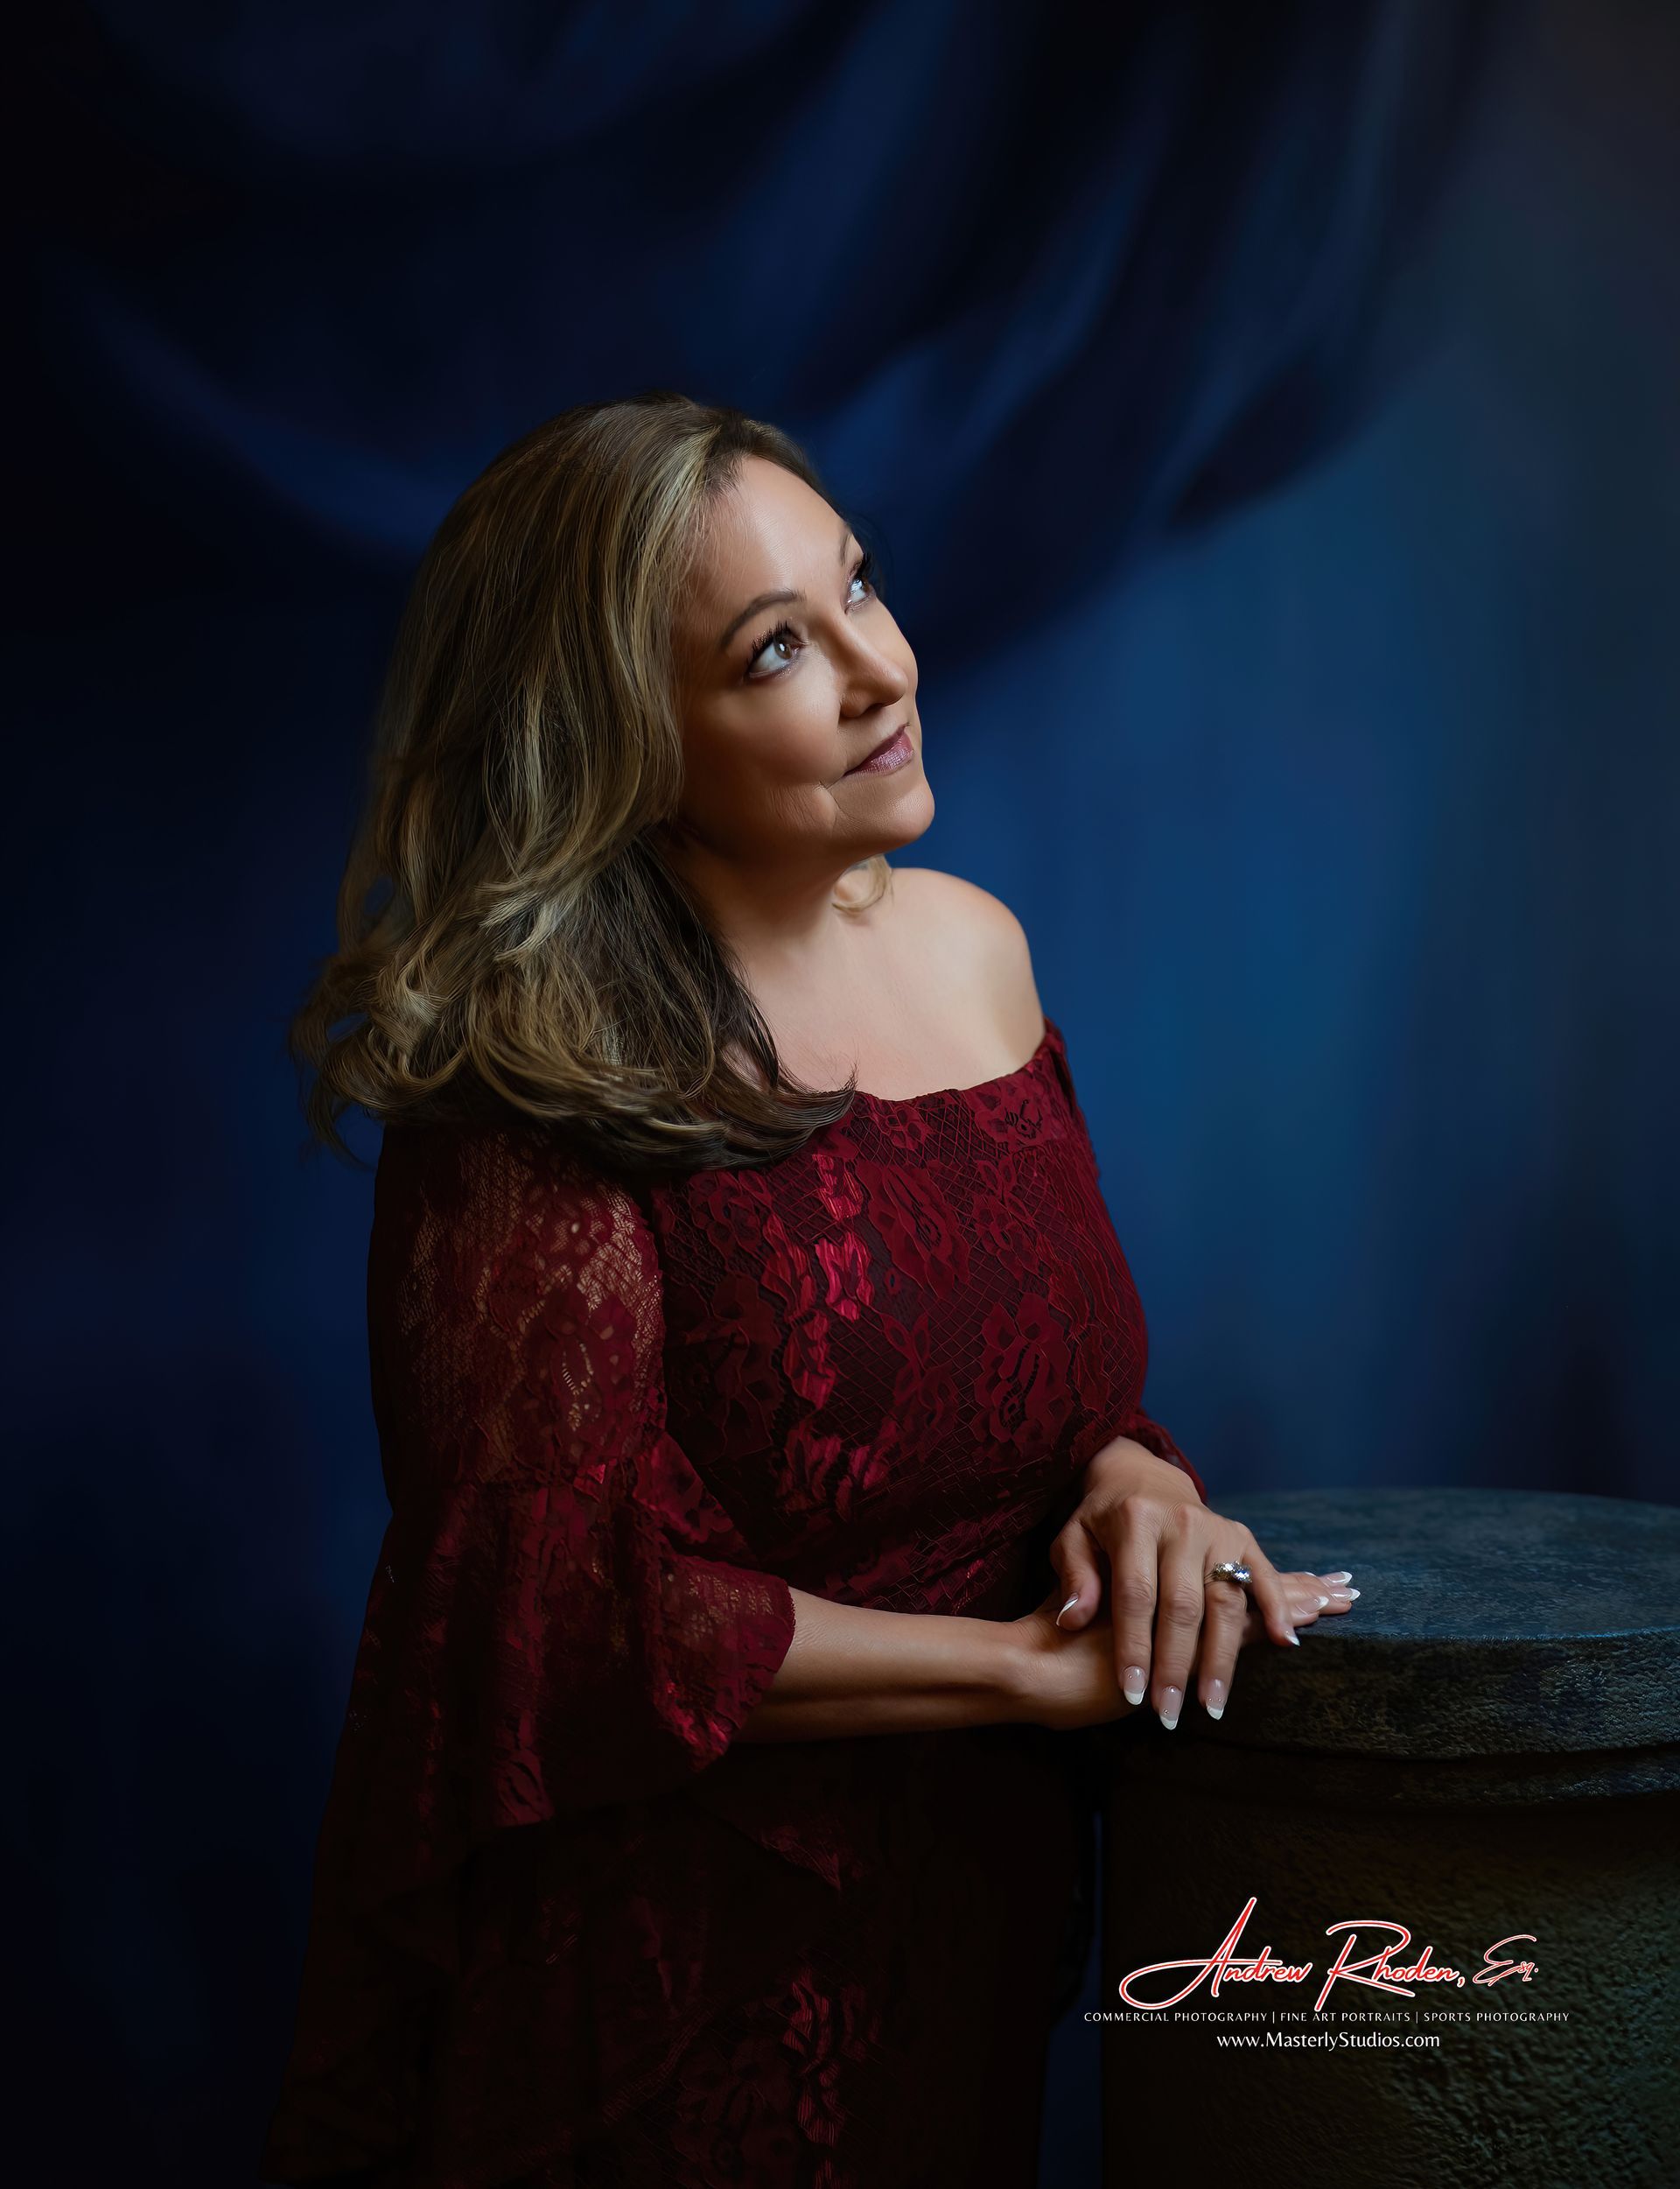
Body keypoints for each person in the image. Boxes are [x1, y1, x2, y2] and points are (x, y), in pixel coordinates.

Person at [260, 391, 1354, 2189]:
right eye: (775, 650)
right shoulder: (543, 1067)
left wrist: (1138, 1490)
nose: (877, 669)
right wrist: (1027, 1679)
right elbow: (559, 1609)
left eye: (860, 587)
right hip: (672, 1970)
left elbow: (1056, 1394)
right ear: (623, 740)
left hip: (981, 1911)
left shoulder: (980, 950)